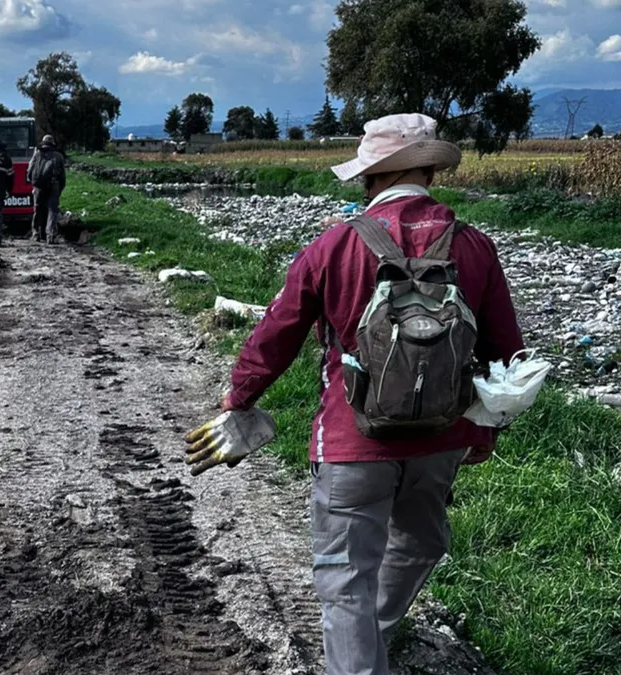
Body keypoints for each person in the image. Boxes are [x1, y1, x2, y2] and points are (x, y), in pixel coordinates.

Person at [219, 113, 524, 675]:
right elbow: (507, 353)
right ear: (430, 168)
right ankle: (375, 638)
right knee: (418, 546)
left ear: (369, 177)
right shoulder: (474, 247)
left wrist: (239, 397)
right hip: (442, 438)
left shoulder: (334, 246)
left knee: (345, 577)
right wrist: (484, 428)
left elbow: (276, 332)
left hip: (351, 437)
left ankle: (362, 656)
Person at [26, 134, 66, 244]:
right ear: (52, 143)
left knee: (38, 209)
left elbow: (30, 170)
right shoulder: (58, 156)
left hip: (39, 186)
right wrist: (60, 188)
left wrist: (33, 183)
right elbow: (62, 175)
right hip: (54, 186)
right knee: (52, 210)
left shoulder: (37, 154)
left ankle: (36, 234)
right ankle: (50, 235)